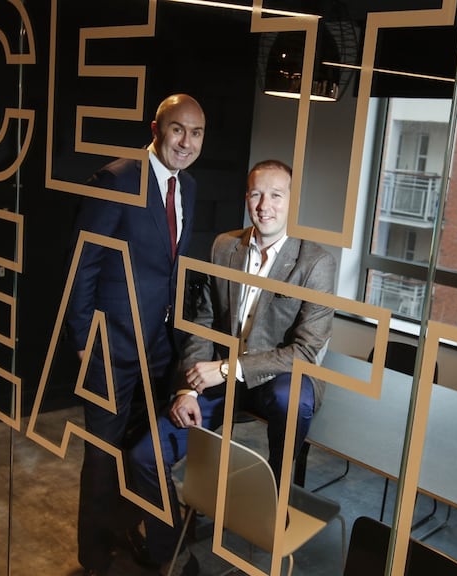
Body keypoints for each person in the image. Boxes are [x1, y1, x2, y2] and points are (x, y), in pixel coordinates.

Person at [129, 159, 337, 575]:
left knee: (292, 397)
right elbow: (204, 323)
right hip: (218, 377)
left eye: (276, 195)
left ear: (291, 201)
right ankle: (173, 553)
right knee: (143, 457)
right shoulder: (225, 246)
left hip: (272, 377)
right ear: (246, 198)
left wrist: (225, 369)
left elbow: (306, 351)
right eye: (256, 194)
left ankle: (277, 494)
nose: (265, 206)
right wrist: (188, 389)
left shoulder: (316, 263)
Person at [66, 94, 205, 576]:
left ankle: (126, 532)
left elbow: (170, 269)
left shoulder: (189, 187)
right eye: (177, 130)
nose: (186, 142)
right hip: (110, 345)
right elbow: (83, 264)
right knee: (102, 456)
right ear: (156, 129)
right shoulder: (118, 179)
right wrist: (83, 339)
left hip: (160, 348)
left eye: (196, 133)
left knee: (139, 452)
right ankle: (94, 558)